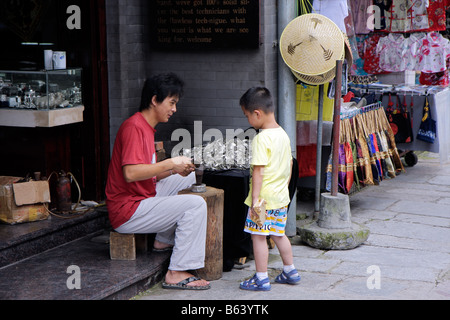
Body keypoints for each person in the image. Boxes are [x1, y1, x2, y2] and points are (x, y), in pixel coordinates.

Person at [105, 73, 210, 290]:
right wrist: (171, 163)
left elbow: (148, 174)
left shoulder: (144, 126)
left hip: (142, 196)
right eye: (171, 103)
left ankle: (163, 240)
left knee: (188, 176)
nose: (174, 109)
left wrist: (176, 169)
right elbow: (131, 174)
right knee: (196, 205)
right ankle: (177, 271)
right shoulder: (134, 127)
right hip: (127, 210)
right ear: (155, 100)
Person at [239, 87, 301, 291]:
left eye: (247, 116)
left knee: (258, 237)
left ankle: (261, 278)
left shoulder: (261, 138)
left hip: (263, 200)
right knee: (278, 234)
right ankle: (290, 271)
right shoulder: (283, 134)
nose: (248, 120)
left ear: (257, 113)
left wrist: (255, 201)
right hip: (281, 198)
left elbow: (258, 171)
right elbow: (290, 165)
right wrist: (283, 188)